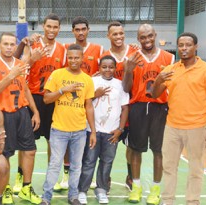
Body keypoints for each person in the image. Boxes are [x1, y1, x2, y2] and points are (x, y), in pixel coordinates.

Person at [151, 32, 206, 205]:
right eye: (181, 45)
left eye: (188, 45)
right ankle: (167, 200)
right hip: (172, 126)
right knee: (169, 167)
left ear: (196, 47)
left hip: (197, 126)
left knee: (195, 169)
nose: (184, 49)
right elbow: (155, 95)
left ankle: (192, 201)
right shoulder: (170, 70)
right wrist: (158, 80)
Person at [0, 32, 41, 204]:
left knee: (30, 150)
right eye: (6, 44)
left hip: (22, 112)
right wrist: (10, 74)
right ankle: (6, 187)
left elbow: (25, 89)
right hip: (3, 115)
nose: (9, 47)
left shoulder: (20, 64)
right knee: (6, 154)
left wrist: (35, 111)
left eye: (12, 44)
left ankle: (26, 187)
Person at [122, 24, 174, 205]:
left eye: (150, 36)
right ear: (138, 39)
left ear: (155, 35)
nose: (147, 40)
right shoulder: (132, 58)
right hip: (138, 107)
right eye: (143, 37)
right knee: (136, 150)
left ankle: (155, 190)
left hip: (160, 108)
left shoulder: (169, 58)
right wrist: (128, 70)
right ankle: (136, 187)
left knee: (158, 150)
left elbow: (173, 87)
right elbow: (125, 88)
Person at [15, 13, 66, 193]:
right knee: (27, 143)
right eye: (49, 26)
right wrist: (31, 58)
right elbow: (20, 67)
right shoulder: (32, 44)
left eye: (55, 27)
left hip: (53, 99)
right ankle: (20, 175)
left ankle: (51, 177)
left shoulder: (63, 50)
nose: (52, 30)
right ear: (43, 26)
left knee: (53, 141)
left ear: (59, 29)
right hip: (33, 98)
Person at [39, 44, 96, 205]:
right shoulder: (57, 74)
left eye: (76, 57)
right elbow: (46, 98)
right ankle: (46, 197)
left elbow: (89, 107)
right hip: (59, 130)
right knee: (55, 165)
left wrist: (92, 131)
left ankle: (73, 196)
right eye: (70, 57)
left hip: (79, 131)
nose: (73, 60)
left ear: (82, 58)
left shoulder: (87, 79)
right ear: (66, 58)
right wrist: (64, 90)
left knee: (76, 166)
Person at [78, 55, 129, 204]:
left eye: (111, 67)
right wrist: (95, 95)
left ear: (115, 68)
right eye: (104, 67)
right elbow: (83, 103)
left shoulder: (120, 85)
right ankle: (82, 190)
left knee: (107, 161)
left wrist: (120, 129)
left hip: (112, 132)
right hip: (92, 130)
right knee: (89, 161)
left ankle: (101, 189)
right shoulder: (91, 82)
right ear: (99, 68)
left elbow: (125, 108)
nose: (108, 70)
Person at [62, 16, 104, 191]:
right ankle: (66, 176)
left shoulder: (99, 49)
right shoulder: (66, 49)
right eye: (77, 30)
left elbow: (105, 70)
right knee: (66, 139)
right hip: (69, 101)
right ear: (73, 31)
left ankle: (89, 175)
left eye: (83, 29)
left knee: (88, 140)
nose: (80, 32)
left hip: (91, 100)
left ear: (88, 30)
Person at [101, 21, 139, 191]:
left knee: (131, 145)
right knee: (109, 144)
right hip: (111, 108)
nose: (118, 37)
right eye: (114, 34)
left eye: (121, 33)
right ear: (108, 36)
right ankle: (105, 177)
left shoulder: (135, 52)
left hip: (132, 106)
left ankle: (130, 176)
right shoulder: (104, 55)